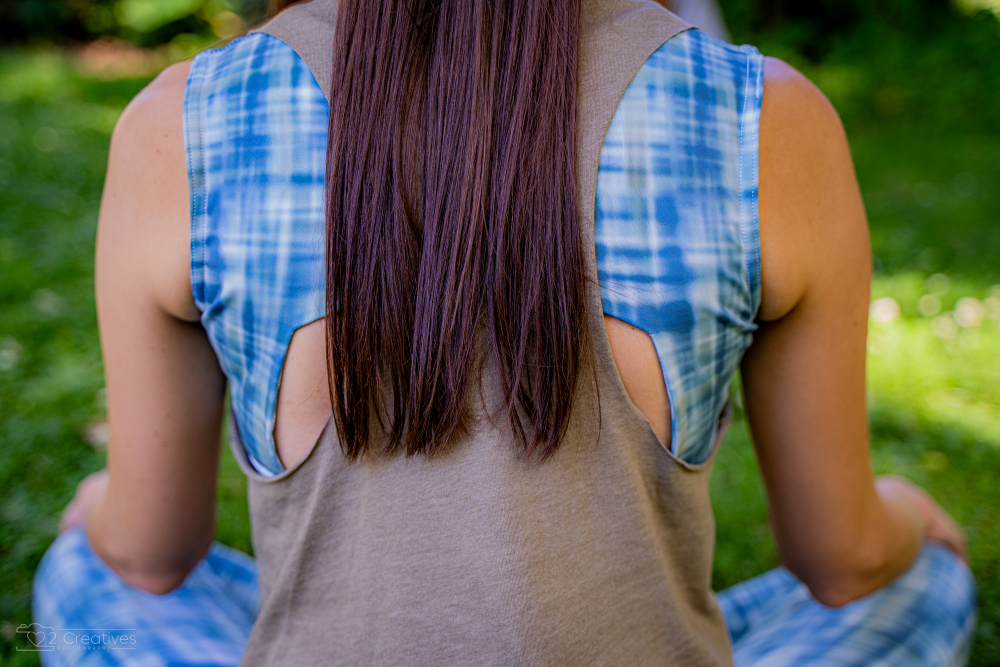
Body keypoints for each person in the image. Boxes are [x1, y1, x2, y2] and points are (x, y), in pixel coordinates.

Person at [35, 0, 976, 665]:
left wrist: (98, 506)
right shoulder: (764, 118)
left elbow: (151, 554)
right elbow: (844, 561)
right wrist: (906, 514)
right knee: (916, 578)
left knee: (89, 564)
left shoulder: (181, 123)